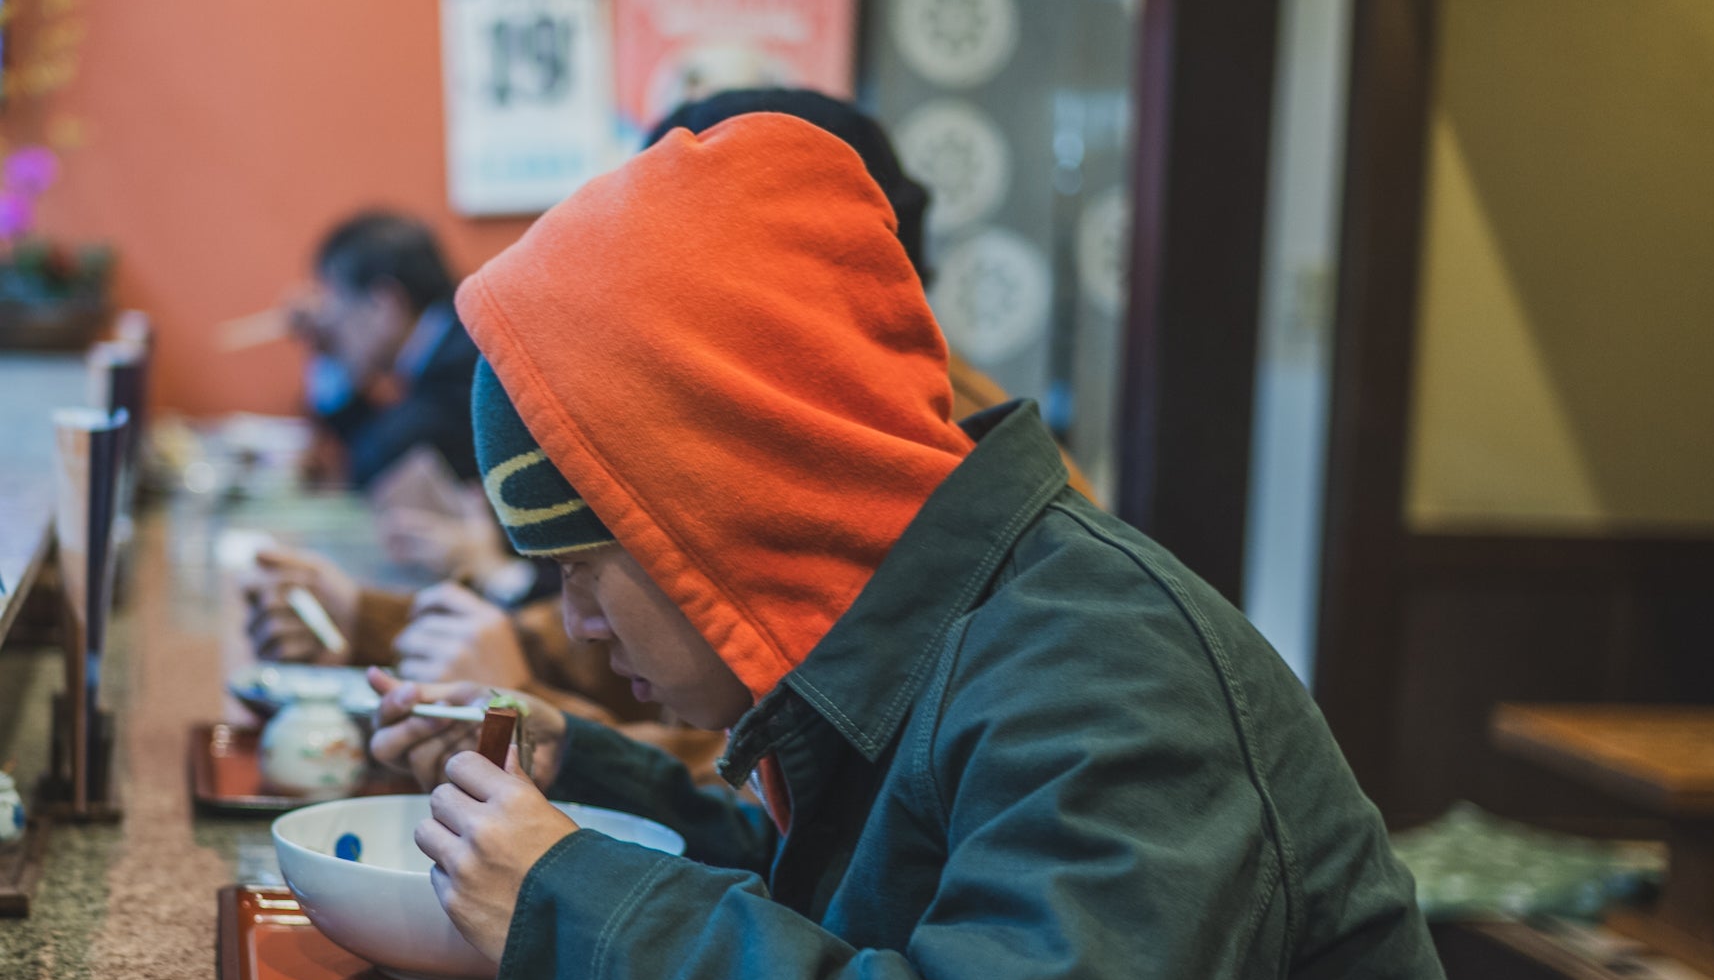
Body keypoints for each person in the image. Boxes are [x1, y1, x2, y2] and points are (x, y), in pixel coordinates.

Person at [367, 114, 1512, 980]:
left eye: (579, 566)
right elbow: (863, 919)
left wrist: (574, 907)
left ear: (717, 500)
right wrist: (587, 777)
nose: (572, 620)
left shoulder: (1103, 670)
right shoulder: (936, 612)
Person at [249, 91, 1089, 773]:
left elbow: (747, 744)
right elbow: (656, 615)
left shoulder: (1063, 656)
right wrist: (373, 622)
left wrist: (569, 860)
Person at [293, 212, 482, 490]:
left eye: (339, 308)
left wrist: (334, 358)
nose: (334, 327)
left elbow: (376, 465)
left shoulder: (465, 363)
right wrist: (330, 353)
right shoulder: (455, 336)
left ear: (384, 305)